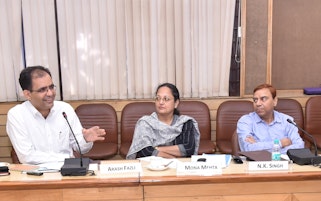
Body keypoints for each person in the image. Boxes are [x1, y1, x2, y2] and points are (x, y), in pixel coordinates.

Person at [6, 66, 106, 165]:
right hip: (35, 175)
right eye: (42, 90)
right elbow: (27, 157)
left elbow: (81, 148)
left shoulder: (65, 109)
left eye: (51, 87)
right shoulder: (16, 115)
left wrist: (85, 140)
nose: (50, 93)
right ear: (28, 94)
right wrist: (67, 158)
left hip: (68, 171)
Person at [126, 83, 200, 159]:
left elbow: (188, 149)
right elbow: (145, 151)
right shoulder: (145, 123)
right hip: (152, 167)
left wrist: (156, 148)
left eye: (166, 99)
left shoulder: (185, 122)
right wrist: (173, 159)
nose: (161, 102)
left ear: (176, 103)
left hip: (179, 168)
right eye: (158, 98)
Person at [237, 83, 304, 154]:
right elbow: (248, 149)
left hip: (283, 163)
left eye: (263, 99)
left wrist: (258, 146)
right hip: (255, 164)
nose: (258, 104)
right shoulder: (245, 121)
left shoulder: (287, 120)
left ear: (275, 101)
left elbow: (299, 146)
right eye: (255, 100)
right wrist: (280, 143)